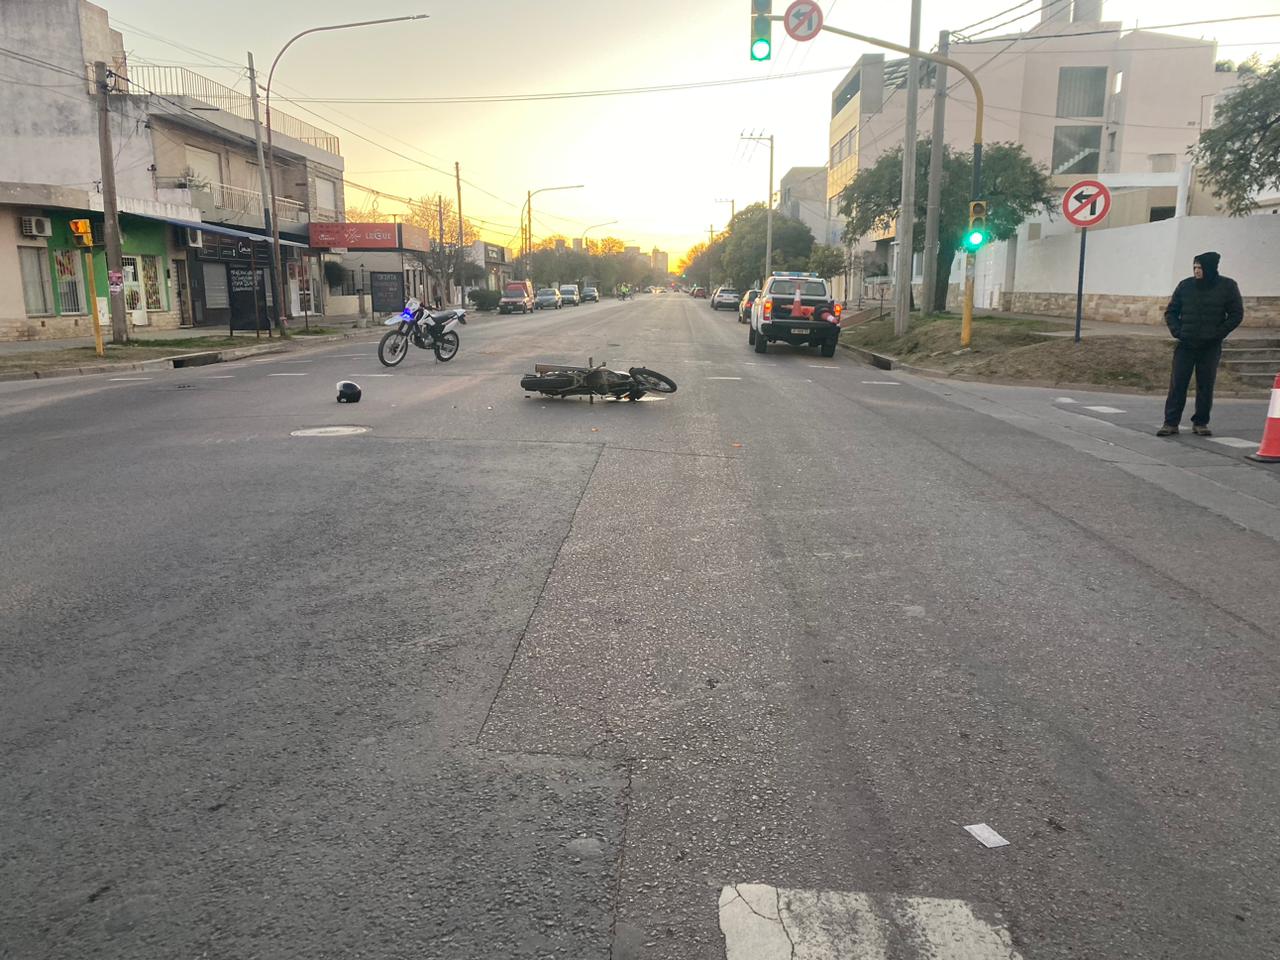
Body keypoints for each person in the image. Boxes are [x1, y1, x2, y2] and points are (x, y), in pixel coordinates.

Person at [1158, 251, 1243, 437]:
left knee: (1206, 385)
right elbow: (1171, 312)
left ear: (1210, 268)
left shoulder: (1227, 286)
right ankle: (1170, 423)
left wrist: (1217, 334)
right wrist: (1178, 332)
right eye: (1195, 267)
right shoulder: (1185, 286)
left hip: (1210, 346)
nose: (1197, 271)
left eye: (1200, 268)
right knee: (1178, 383)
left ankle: (1201, 422)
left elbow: (1236, 314)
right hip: (1186, 344)